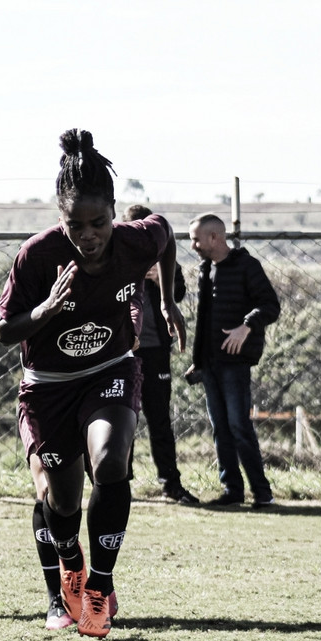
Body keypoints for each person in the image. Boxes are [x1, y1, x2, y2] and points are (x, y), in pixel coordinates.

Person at [0, 128, 184, 638]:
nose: (88, 235)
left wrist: (166, 300)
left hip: (110, 370)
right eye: (74, 224)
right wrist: (44, 310)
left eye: (98, 222)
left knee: (110, 463)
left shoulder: (134, 240)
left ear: (113, 213)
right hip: (48, 387)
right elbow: (4, 330)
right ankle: (70, 566)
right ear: (60, 219)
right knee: (60, 501)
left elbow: (165, 236)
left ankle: (98, 590)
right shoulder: (37, 256)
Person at [186, 214, 280, 508]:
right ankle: (232, 491)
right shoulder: (206, 270)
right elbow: (203, 319)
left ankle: (262, 493)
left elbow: (270, 306)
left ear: (214, 237)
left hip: (235, 363)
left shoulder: (246, 266)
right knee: (221, 428)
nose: (193, 245)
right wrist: (198, 359)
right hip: (210, 363)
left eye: (196, 239)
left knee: (239, 425)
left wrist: (246, 326)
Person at [124, 203, 197, 505]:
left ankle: (170, 484)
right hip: (124, 351)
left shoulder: (164, 257)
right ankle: (118, 484)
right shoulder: (117, 257)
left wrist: (160, 280)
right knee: (122, 419)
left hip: (156, 352)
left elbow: (178, 294)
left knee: (160, 420)